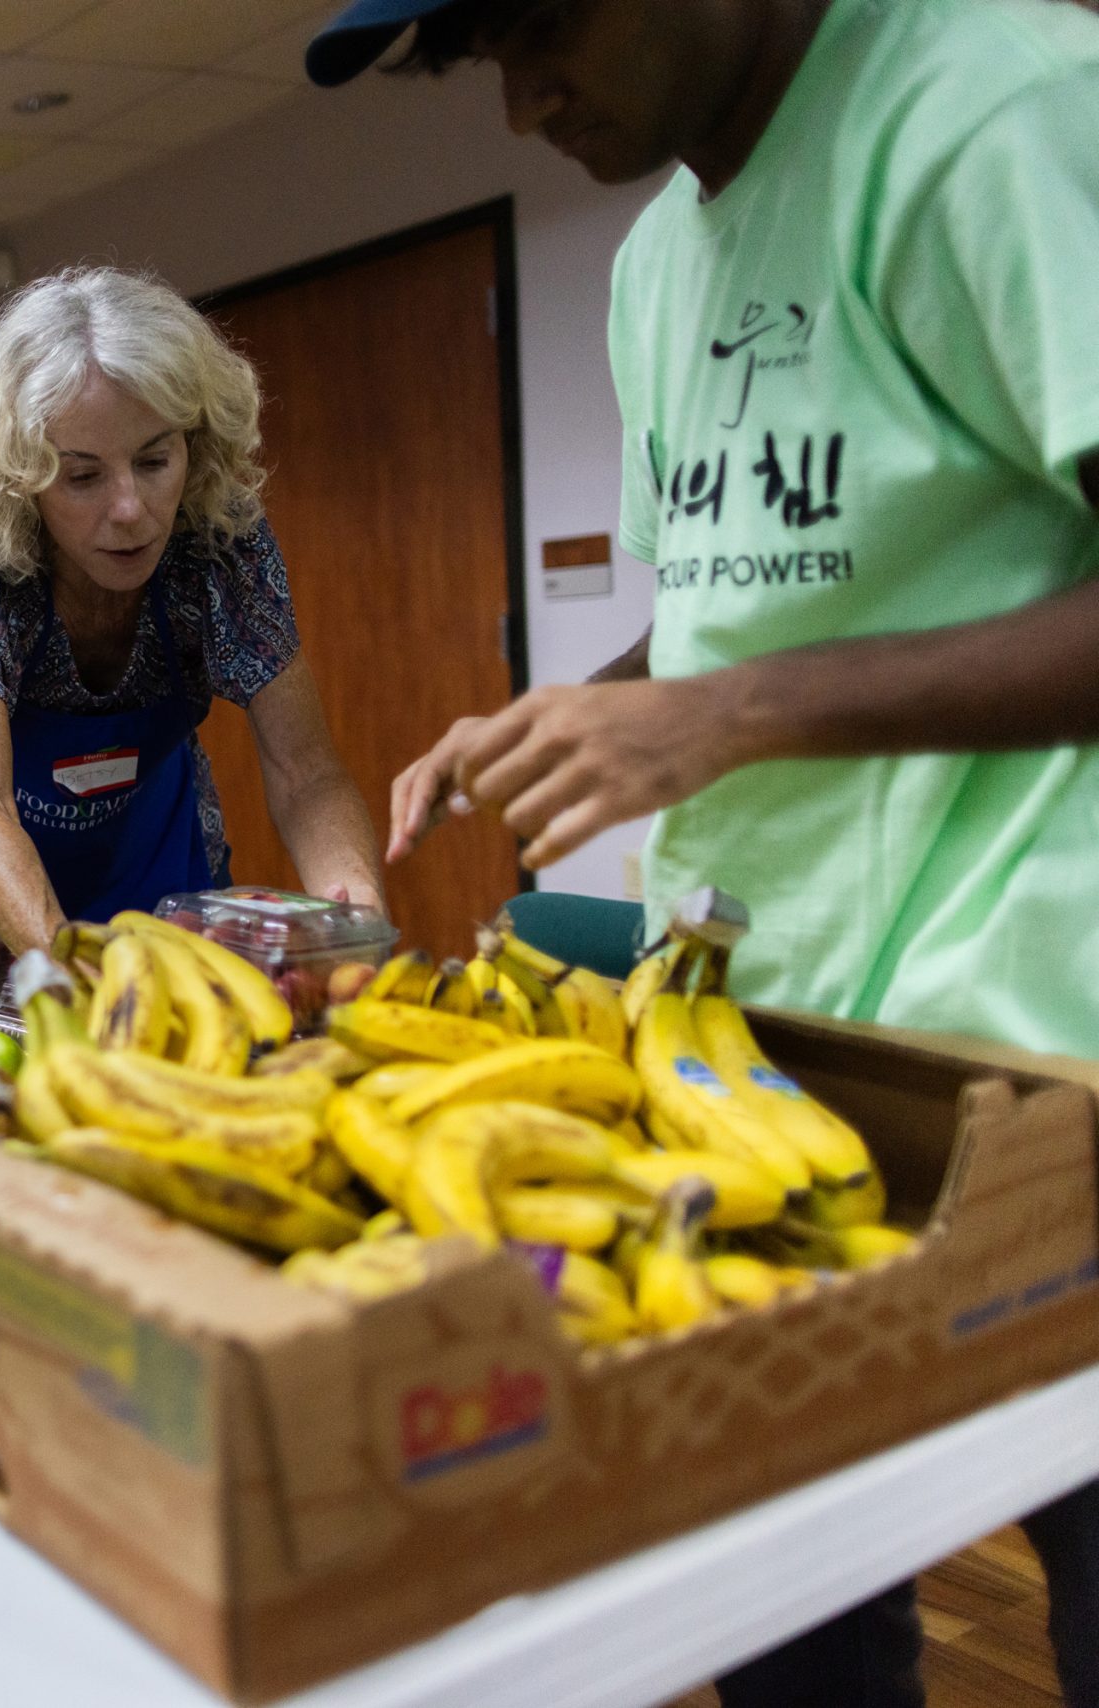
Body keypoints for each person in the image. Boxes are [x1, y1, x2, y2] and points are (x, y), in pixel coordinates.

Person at [308, 2, 1099, 1704]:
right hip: (771, 1062)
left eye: (538, 23)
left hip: (1052, 1065)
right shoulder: (656, 263)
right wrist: (571, 712)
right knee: (796, 1637)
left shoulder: (1002, 107)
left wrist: (731, 721)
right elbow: (745, 618)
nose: (522, 104)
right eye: (474, 62)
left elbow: (752, 690)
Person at [0, 266, 384, 953]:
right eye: (82, 476)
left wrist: (351, 910)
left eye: (155, 461)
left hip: (163, 876)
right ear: (24, 477)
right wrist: (65, 966)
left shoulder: (222, 545)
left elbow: (305, 771)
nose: (129, 510)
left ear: (195, 444)